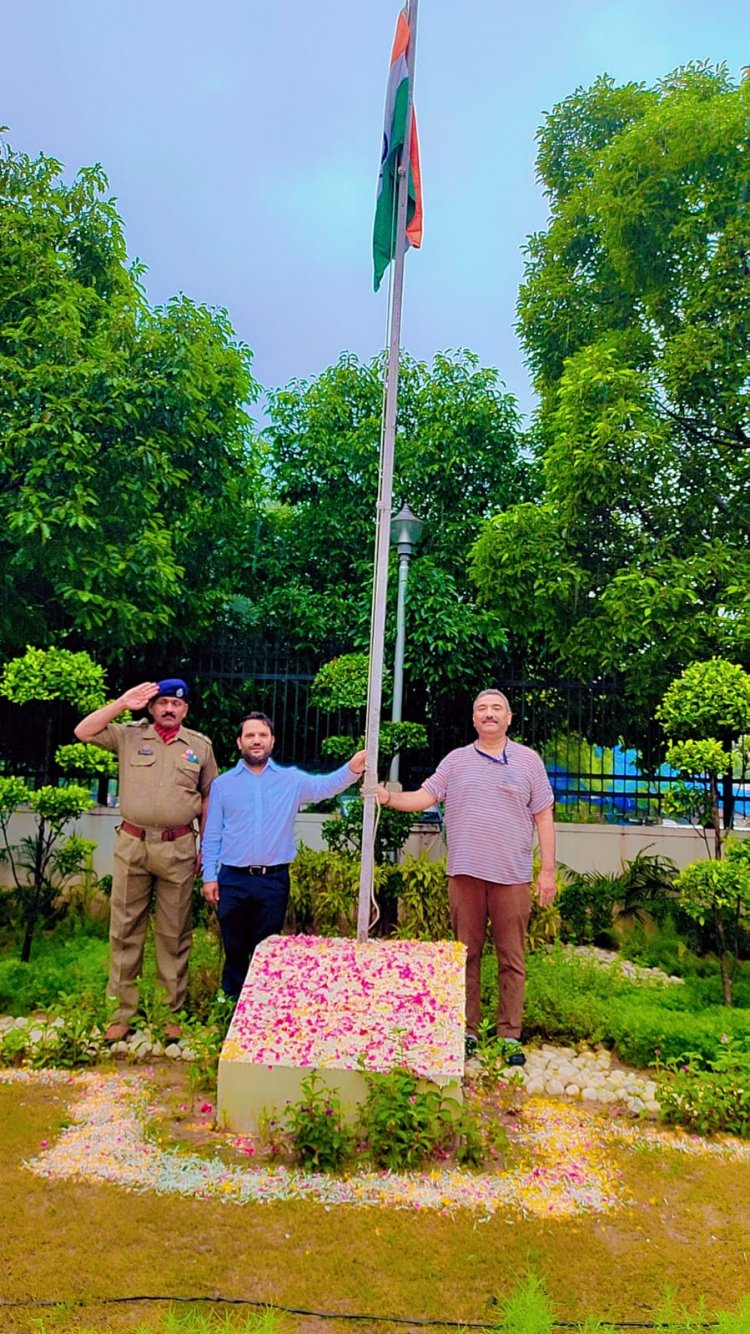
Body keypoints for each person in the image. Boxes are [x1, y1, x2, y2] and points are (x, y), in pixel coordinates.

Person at [376, 688, 556, 1064]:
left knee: (512, 957)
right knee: (465, 956)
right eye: (481, 709)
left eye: (496, 709)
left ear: (509, 718)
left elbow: (544, 816)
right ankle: (468, 1030)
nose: (489, 714)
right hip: (464, 875)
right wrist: (389, 798)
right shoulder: (456, 761)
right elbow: (424, 797)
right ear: (473, 720)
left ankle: (509, 1034)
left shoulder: (529, 761)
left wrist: (548, 872)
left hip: (512, 876)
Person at [75, 678, 218, 1042]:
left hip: (180, 848)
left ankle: (171, 1012)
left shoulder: (199, 746)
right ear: (152, 707)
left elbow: (208, 798)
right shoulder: (128, 735)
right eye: (163, 703)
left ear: (186, 710)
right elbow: (83, 731)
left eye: (177, 704)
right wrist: (123, 703)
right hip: (133, 845)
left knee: (174, 932)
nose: (170, 709)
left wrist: (207, 847)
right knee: (124, 930)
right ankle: (121, 1014)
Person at [201, 712, 367, 999]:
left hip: (273, 881)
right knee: (235, 947)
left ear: (272, 741)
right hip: (233, 879)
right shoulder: (223, 785)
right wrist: (208, 876)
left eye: (262, 735)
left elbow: (324, 786)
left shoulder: (291, 780)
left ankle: (262, 1006)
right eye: (250, 735)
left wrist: (352, 769)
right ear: (240, 742)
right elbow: (212, 833)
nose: (256, 740)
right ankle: (230, 1007)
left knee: (267, 949)